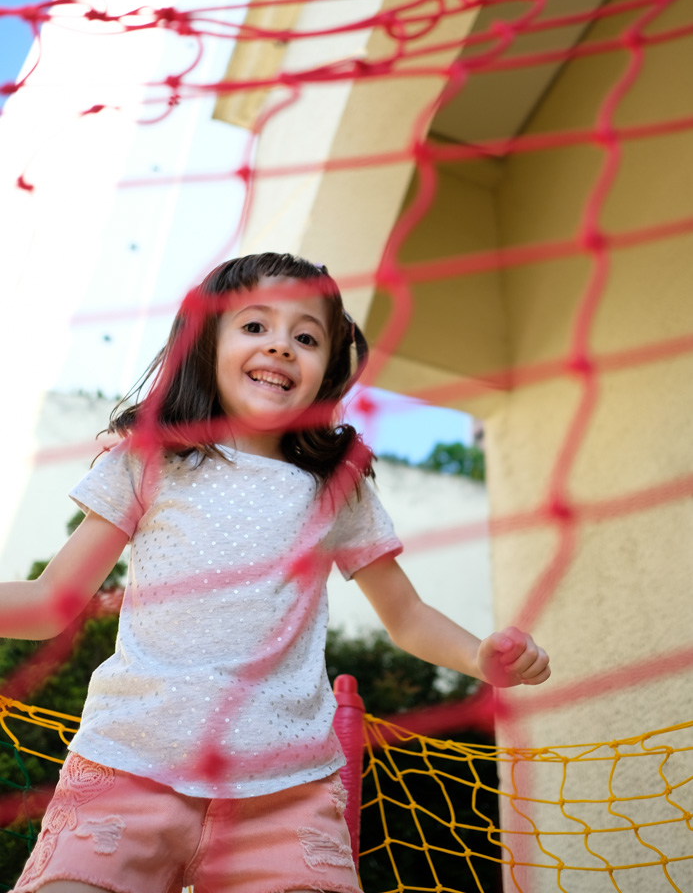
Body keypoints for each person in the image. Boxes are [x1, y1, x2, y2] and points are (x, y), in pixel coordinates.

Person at [5, 252, 550, 893]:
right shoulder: (149, 462)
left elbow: (407, 616)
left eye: (307, 337)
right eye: (256, 326)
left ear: (327, 370)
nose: (283, 347)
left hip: (287, 793)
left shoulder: (335, 487)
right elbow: (52, 601)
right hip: (131, 764)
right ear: (205, 344)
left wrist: (480, 655)